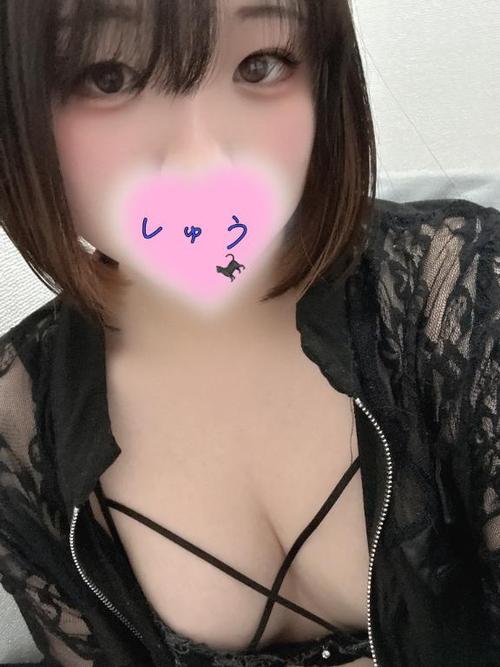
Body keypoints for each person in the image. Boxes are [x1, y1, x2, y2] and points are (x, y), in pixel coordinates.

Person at [0, 1, 498, 666]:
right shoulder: (19, 420)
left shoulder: (462, 294)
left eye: (262, 64)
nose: (204, 159)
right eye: (108, 77)